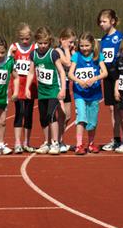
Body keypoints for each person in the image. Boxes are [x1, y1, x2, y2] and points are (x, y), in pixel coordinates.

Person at [26, 27, 67, 155]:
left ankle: (55, 142)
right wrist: (27, 87)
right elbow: (31, 72)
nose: (43, 46)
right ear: (36, 42)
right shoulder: (33, 54)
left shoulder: (53, 54)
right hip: (42, 92)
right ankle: (46, 142)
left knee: (51, 115)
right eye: (40, 43)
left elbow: (61, 71)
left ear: (49, 42)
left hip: (53, 90)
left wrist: (63, 89)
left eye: (45, 43)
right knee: (43, 118)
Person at [68, 32, 108, 155]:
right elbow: (70, 74)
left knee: (92, 121)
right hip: (80, 93)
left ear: (92, 45)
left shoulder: (97, 56)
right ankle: (79, 145)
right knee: (81, 118)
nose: (84, 48)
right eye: (81, 46)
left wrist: (94, 79)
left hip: (94, 94)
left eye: (87, 46)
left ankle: (91, 143)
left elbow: (105, 73)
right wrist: (79, 81)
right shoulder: (76, 56)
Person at [97, 9, 123, 151]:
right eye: (100, 22)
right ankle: (116, 139)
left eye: (104, 21)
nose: (101, 24)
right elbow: (102, 58)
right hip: (107, 76)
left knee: (121, 108)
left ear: (112, 21)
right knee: (112, 109)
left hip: (119, 75)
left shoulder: (120, 37)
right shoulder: (103, 39)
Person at [8, 23, 37, 153]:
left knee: (29, 113)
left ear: (30, 37)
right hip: (18, 84)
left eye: (27, 38)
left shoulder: (35, 47)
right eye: (22, 39)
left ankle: (27, 142)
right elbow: (7, 63)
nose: (25, 41)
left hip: (30, 84)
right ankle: (17, 142)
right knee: (19, 113)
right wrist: (10, 55)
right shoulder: (14, 47)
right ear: (18, 37)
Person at [55, 27, 76, 153]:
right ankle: (56, 140)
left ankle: (60, 140)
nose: (72, 44)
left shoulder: (71, 51)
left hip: (67, 87)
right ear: (62, 40)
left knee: (68, 115)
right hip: (58, 87)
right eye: (70, 42)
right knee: (61, 115)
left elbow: (76, 62)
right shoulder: (58, 51)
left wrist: (72, 51)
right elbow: (68, 63)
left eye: (73, 42)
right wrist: (67, 50)